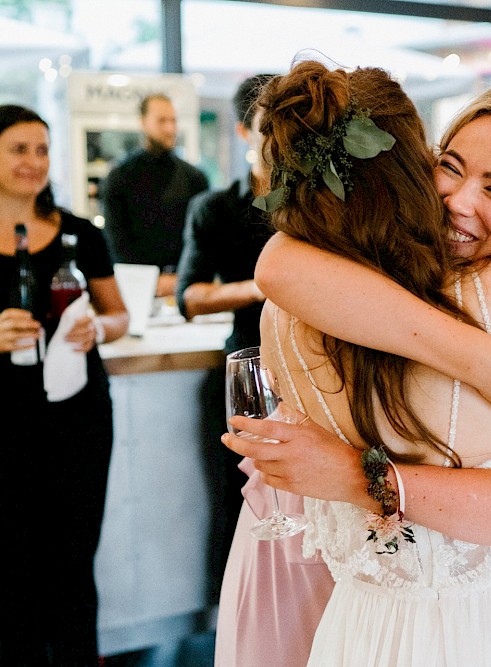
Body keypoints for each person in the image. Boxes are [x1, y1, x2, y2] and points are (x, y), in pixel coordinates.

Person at [218, 63, 491, 666]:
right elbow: (275, 263)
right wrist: (476, 357)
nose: (458, 200)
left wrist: (357, 475)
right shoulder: (336, 290)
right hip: (366, 622)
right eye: (449, 166)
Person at [0, 104, 129, 665]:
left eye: (42, 150)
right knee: (11, 564)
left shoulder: (79, 235)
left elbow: (120, 317)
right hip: (4, 420)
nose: (34, 162)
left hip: (77, 417)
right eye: (19, 149)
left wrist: (97, 326)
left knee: (74, 559)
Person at [175, 74, 274, 608]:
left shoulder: (319, 206)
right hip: (248, 377)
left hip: (320, 378)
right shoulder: (213, 208)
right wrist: (265, 284)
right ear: (242, 131)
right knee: (242, 505)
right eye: (267, 126)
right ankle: (234, 621)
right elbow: (188, 297)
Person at [101, 93, 208, 297]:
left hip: (184, 284)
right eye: (162, 120)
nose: (170, 128)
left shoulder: (195, 177)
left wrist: (182, 276)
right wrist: (150, 280)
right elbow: (116, 239)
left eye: (173, 120)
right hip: (135, 287)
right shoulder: (119, 177)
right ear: (143, 122)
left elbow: (202, 238)